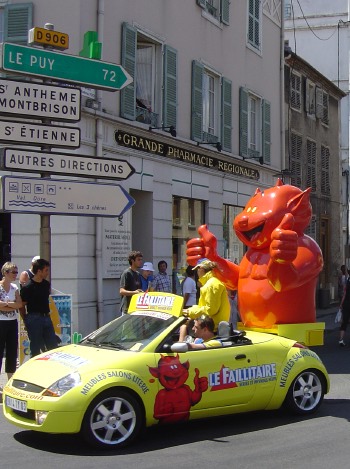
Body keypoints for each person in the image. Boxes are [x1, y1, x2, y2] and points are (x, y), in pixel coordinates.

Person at [179, 258, 230, 341]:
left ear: (201, 269)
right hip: (212, 327)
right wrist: (188, 311)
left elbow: (210, 310)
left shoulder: (212, 284)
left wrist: (190, 312)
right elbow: (203, 306)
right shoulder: (210, 283)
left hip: (213, 329)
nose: (197, 272)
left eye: (197, 270)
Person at [19, 258, 58, 357]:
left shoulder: (46, 284)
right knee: (35, 347)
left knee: (52, 346)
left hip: (46, 317)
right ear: (39, 271)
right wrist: (25, 319)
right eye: (46, 270)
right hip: (33, 317)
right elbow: (22, 305)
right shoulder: (28, 287)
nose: (47, 273)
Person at [0, 262, 22, 381]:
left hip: (12, 321)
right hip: (1, 321)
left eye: (16, 272)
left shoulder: (15, 288)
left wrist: (6, 304)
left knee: (12, 351)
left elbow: (19, 304)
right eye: (13, 272)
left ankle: (9, 380)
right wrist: (11, 304)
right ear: (5, 273)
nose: (15, 275)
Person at [339, 274, 350, 346]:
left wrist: (341, 304)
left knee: (344, 322)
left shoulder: (348, 281)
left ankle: (341, 340)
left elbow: (344, 294)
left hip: (346, 304)